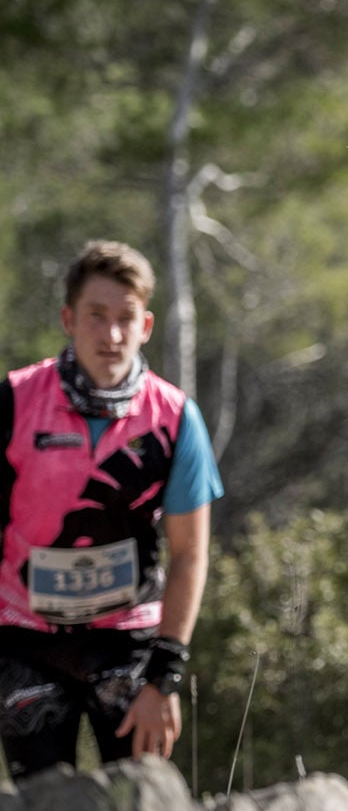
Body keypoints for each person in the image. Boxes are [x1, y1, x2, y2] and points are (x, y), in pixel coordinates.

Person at [0, 241, 222, 780]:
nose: (112, 335)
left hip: (128, 645)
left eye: (126, 318)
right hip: (25, 637)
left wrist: (165, 677)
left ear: (146, 325)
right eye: (97, 316)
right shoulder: (13, 401)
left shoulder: (174, 419)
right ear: (68, 319)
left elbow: (190, 554)